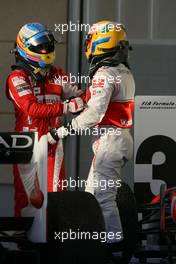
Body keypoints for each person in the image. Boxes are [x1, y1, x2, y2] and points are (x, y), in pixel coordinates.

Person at [48, 21, 135, 243]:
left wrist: (62, 130)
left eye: (90, 40)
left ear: (100, 42)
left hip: (110, 140)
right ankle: (102, 244)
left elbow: (94, 114)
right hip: (119, 139)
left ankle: (112, 246)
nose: (87, 44)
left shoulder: (104, 73)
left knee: (102, 199)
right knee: (93, 197)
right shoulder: (124, 71)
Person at [6, 22, 85, 217]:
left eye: (48, 46)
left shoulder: (57, 74)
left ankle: (54, 242)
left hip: (52, 141)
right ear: (26, 48)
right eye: (40, 47)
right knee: (27, 199)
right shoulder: (16, 77)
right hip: (25, 145)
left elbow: (80, 97)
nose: (45, 50)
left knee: (55, 196)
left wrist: (83, 100)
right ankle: (22, 243)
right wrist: (66, 107)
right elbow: (31, 109)